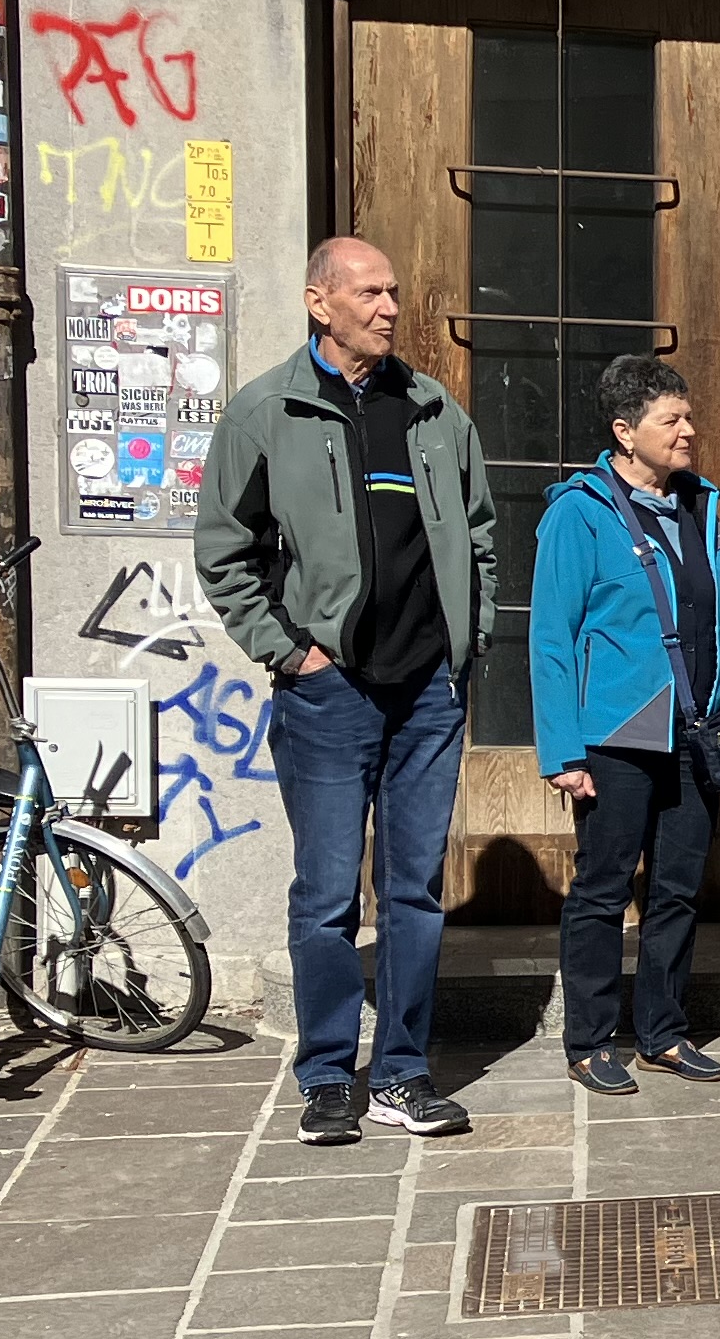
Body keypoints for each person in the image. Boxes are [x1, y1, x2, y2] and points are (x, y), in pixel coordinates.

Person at [197, 235, 496, 1147]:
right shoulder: (266, 413)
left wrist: (468, 643)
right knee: (327, 895)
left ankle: (402, 1072)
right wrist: (291, 655)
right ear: (318, 302)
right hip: (330, 696)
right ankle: (328, 1074)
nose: (389, 308)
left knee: (414, 893)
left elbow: (480, 536)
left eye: (393, 292)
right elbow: (225, 553)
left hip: (428, 694)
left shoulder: (433, 410)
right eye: (369, 293)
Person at [532, 355, 720, 1097]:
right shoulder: (579, 512)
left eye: (689, 417)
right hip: (616, 733)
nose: (688, 431)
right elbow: (551, 638)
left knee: (678, 889)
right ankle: (590, 1040)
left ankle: (662, 1032)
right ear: (625, 432)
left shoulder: (701, 506)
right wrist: (563, 751)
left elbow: (716, 618)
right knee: (603, 889)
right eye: (671, 420)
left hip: (694, 728)